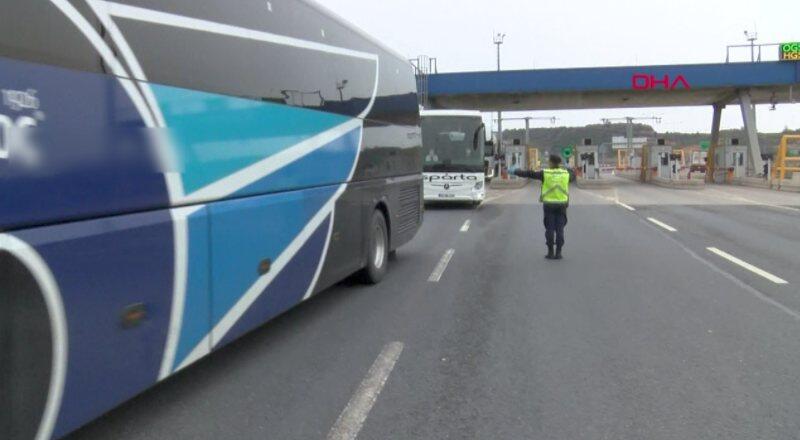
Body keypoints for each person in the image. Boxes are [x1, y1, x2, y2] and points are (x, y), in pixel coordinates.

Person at [513, 155, 576, 260]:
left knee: (550, 229)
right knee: (560, 229)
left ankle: (550, 252)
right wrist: (568, 167)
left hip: (549, 205)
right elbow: (573, 175)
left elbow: (529, 174)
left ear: (551, 163)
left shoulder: (545, 173)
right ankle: (559, 253)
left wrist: (516, 171)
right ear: (559, 163)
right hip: (562, 205)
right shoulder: (566, 174)